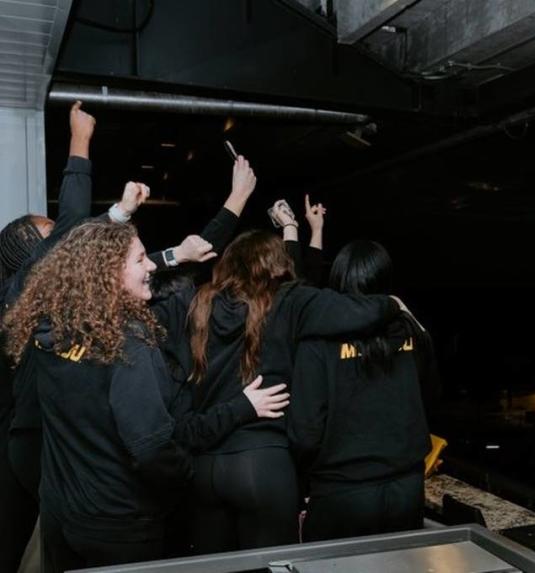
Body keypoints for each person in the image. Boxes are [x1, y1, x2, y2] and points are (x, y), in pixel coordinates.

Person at [183, 230, 400, 553]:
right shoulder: (289, 300)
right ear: (276, 265)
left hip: (203, 470)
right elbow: (359, 311)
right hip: (261, 464)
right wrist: (393, 304)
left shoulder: (200, 303)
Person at [2, 222, 192, 572]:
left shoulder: (50, 336)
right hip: (118, 525)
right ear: (108, 273)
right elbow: (150, 448)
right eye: (139, 260)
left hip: (63, 517)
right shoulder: (128, 345)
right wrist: (185, 478)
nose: (151, 265)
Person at [288, 240, 434, 541]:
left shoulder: (317, 340)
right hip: (406, 488)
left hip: (341, 492)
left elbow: (305, 431)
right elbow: (430, 397)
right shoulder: (411, 331)